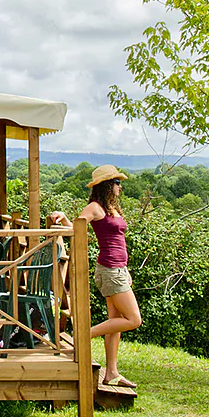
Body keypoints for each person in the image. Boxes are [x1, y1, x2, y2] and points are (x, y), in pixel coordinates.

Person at [50, 164, 142, 388]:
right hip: (109, 270)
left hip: (119, 269)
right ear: (108, 185)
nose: (120, 187)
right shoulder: (95, 207)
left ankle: (112, 373)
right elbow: (78, 229)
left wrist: (126, 269)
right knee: (133, 320)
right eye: (117, 183)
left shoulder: (112, 208)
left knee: (116, 323)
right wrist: (63, 219)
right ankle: (83, 335)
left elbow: (120, 242)